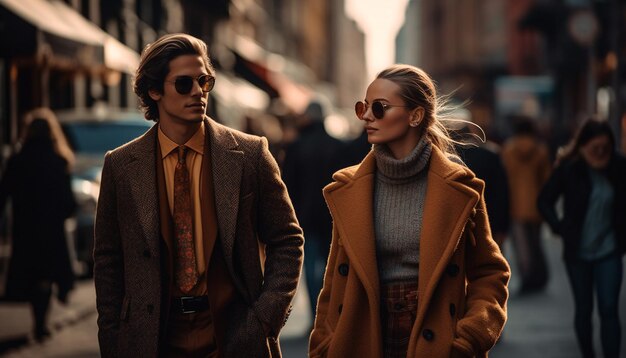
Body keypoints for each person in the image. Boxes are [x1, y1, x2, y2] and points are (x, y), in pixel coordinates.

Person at [93, 33, 304, 358]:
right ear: (154, 90)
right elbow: (108, 259)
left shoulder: (249, 155)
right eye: (184, 84)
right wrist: (113, 339)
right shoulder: (121, 166)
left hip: (233, 338)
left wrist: (264, 319)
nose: (198, 92)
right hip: (151, 342)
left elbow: (288, 240)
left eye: (204, 81)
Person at [309, 64, 510, 358]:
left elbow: (490, 274)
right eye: (363, 107)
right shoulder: (350, 188)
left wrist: (469, 338)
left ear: (415, 115)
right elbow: (335, 281)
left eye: (379, 108)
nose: (366, 116)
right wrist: (324, 344)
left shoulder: (459, 188)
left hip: (438, 340)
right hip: (362, 336)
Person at [538, 119, 626, 358]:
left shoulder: (619, 167)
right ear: (583, 145)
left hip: (610, 249)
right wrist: (559, 228)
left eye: (605, 148)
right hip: (577, 251)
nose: (600, 153)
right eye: (594, 148)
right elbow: (544, 200)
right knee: (584, 309)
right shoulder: (570, 168)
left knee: (609, 308)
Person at [0, 108, 76, 342]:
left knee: (32, 274)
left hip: (25, 228)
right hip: (51, 229)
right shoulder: (59, 161)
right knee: (46, 275)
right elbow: (68, 202)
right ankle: (42, 323)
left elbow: (3, 194)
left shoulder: (18, 160)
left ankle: (39, 322)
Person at [282, 100, 344, 325]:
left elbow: (287, 185)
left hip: (304, 216)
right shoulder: (337, 146)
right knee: (330, 266)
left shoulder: (297, 146)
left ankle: (315, 314)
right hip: (333, 216)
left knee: (309, 266)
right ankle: (327, 312)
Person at [501, 116, 551, 293]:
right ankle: (539, 277)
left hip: (515, 205)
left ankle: (527, 278)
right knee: (536, 244)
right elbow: (546, 180)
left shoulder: (508, 149)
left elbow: (504, 179)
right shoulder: (541, 151)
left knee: (522, 247)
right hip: (536, 206)